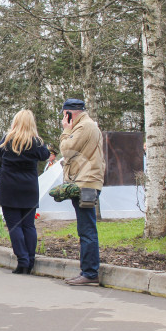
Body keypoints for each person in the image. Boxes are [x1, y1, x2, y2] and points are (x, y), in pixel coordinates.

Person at [0, 110, 50, 274]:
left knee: (15, 226)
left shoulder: (8, 140)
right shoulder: (36, 142)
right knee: (29, 225)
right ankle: (30, 260)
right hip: (29, 187)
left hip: (10, 187)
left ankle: (22, 260)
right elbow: (45, 155)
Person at [59, 98, 105, 286]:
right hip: (85, 181)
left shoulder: (83, 127)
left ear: (69, 113)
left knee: (87, 229)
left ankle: (90, 272)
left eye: (64, 114)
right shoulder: (87, 125)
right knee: (84, 228)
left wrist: (66, 130)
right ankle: (87, 270)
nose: (62, 118)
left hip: (86, 183)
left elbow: (66, 150)